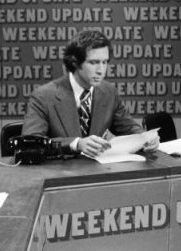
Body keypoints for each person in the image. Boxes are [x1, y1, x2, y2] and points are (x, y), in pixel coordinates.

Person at [22, 30, 159, 157]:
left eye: (105, 62)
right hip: (59, 173)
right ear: (75, 62)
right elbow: (31, 143)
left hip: (97, 173)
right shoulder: (43, 96)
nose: (101, 70)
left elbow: (128, 127)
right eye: (94, 63)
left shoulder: (109, 92)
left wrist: (146, 138)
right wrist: (76, 144)